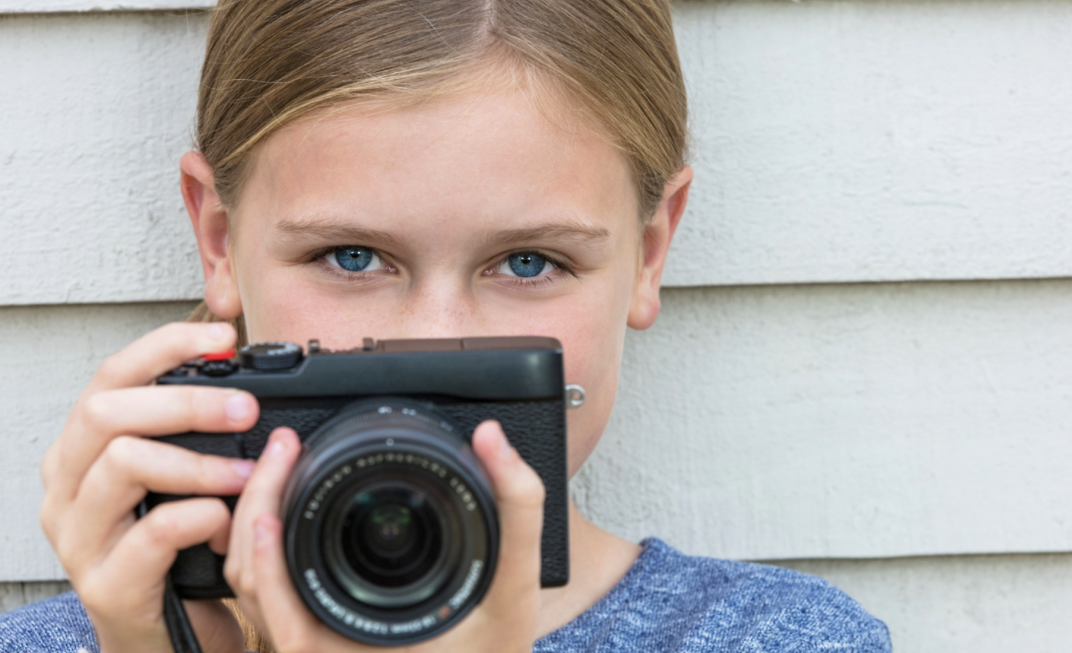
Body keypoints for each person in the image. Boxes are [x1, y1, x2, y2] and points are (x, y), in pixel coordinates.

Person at [0, 0, 891, 651]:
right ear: (220, 239)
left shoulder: (777, 639)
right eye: (352, 257)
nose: (432, 343)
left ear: (648, 253)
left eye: (530, 261)